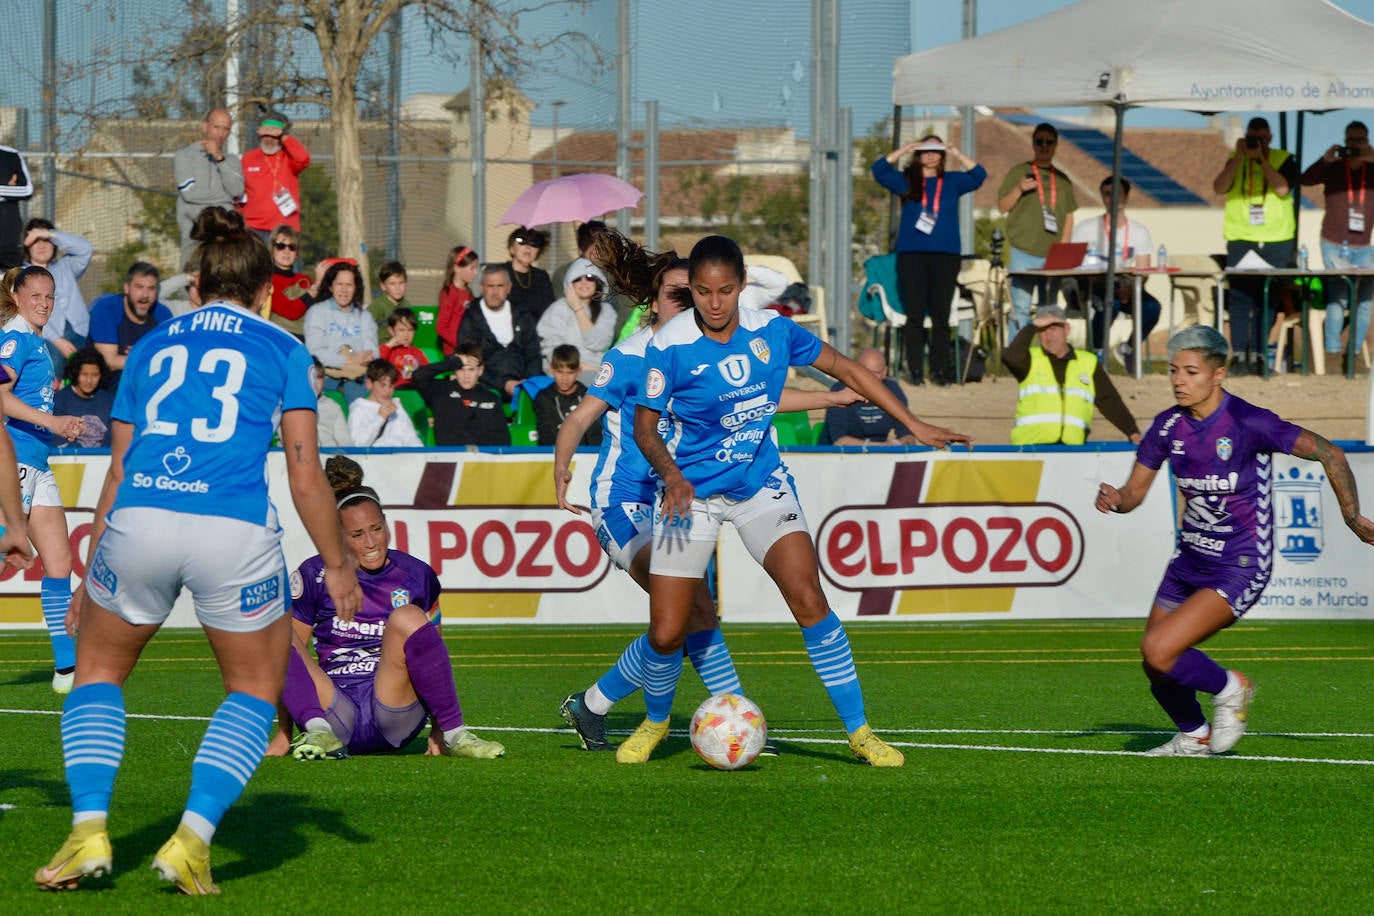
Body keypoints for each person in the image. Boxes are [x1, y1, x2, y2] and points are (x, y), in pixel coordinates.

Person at [33, 207, 361, 895]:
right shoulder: (284, 348)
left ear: (196, 281)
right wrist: (337, 565)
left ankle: (89, 830)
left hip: (141, 517)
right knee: (253, 689)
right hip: (231, 530)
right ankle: (191, 841)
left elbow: (118, 469)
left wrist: (93, 568)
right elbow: (305, 474)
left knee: (96, 673)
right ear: (267, 291)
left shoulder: (153, 345)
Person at [622, 234, 970, 766]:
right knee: (668, 631)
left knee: (808, 597)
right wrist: (671, 475)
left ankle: (860, 732)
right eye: (702, 291)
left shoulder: (774, 331)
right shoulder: (667, 344)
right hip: (689, 494)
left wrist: (913, 422)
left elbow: (849, 369)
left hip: (760, 485)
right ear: (690, 289)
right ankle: (655, 720)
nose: (714, 303)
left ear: (742, 286)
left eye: (726, 290)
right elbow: (646, 429)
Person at [554, 235, 859, 754]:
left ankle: (596, 704)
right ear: (656, 303)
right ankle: (728, 714)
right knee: (685, 614)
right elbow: (582, 415)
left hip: (675, 495)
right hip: (623, 500)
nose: (694, 303)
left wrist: (829, 396)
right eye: (680, 294)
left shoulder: (699, 345)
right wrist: (560, 468)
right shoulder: (632, 357)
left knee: (693, 614)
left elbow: (756, 396)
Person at [1096, 326, 1374, 756]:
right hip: (1188, 563)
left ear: (1218, 374)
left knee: (1160, 648)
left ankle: (1232, 687)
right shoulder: (1168, 426)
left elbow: (1329, 452)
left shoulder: (1248, 422)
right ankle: (1193, 734)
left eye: (1190, 371)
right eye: (1173, 371)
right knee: (1155, 663)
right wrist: (1117, 499)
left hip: (1240, 564)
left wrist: (1352, 516)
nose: (1178, 381)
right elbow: (1135, 493)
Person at [276, 456, 504, 761]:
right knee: (276, 632)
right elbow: (290, 659)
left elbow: (432, 659)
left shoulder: (418, 574)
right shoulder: (312, 574)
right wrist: (283, 735)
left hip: (394, 712)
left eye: (377, 528)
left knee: (408, 615)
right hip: (333, 711)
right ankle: (317, 732)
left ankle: (455, 735)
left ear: (386, 524)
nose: (372, 542)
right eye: (357, 535)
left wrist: (437, 729)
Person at [0, 266, 85, 693]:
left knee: (59, 562)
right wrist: (53, 421)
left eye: (49, 297)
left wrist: (55, 427)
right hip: (14, 459)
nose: (44, 303)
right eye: (35, 295)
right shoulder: (14, 338)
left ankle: (67, 668)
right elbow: (0, 395)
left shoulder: (35, 341)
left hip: (38, 462)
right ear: (16, 296)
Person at [872, 134, 986, 385]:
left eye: (936, 150)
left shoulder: (953, 182)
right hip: (912, 256)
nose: (931, 154)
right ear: (918, 153)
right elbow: (879, 170)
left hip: (945, 256)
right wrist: (905, 149)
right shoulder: (906, 182)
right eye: (926, 150)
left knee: (941, 317)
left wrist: (956, 152)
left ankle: (939, 371)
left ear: (942, 154)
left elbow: (979, 175)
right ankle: (915, 371)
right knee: (914, 315)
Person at [1212, 116, 1299, 376]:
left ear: (1270, 138)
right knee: (1240, 298)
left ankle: (1261, 354)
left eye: (1262, 138)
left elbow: (1283, 189)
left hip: (1276, 238)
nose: (1256, 142)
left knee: (1267, 298)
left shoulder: (1284, 158)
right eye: (1253, 137)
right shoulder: (1236, 158)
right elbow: (1219, 187)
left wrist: (1261, 158)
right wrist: (1239, 157)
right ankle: (1239, 355)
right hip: (1241, 237)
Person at [1003, 305, 1140, 445]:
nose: (1048, 336)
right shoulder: (1028, 360)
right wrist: (1031, 326)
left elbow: (1109, 400)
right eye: (1042, 330)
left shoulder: (1088, 362)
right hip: (1030, 450)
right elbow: (1010, 357)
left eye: (1053, 329)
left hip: (1071, 451)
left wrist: (1132, 431)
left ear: (1066, 329)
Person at [1300, 120, 1374, 371]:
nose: (1354, 146)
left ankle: (1352, 355)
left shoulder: (1371, 168)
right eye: (1351, 140)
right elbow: (1305, 180)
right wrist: (1325, 160)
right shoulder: (1334, 167)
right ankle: (1331, 354)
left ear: (1367, 141)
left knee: (1364, 301)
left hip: (1364, 247)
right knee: (1339, 297)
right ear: (1344, 141)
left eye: (1360, 140)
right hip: (1333, 243)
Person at [1068, 176, 1162, 371]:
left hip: (1125, 285)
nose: (1113, 198)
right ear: (1102, 197)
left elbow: (1144, 271)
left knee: (1152, 307)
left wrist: (1129, 287)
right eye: (1108, 194)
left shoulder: (1138, 231)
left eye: (1118, 193)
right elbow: (1074, 266)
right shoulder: (1086, 228)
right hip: (1093, 285)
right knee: (1111, 302)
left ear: (1126, 197)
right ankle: (1096, 353)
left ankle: (1128, 348)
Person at [998, 122, 1078, 334]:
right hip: (1023, 252)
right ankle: (1018, 361)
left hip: (1052, 256)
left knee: (1048, 311)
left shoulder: (1063, 179)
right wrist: (1019, 189)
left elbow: (1069, 216)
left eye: (1049, 142)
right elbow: (1002, 206)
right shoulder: (1020, 172)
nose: (1044, 146)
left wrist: (1063, 249)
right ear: (1033, 144)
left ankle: (1046, 359)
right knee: (1021, 309)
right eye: (1039, 142)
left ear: (1056, 145)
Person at [457, 264, 541, 400]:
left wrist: (526, 382)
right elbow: (469, 362)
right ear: (481, 287)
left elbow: (533, 355)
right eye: (490, 286)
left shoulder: (522, 314)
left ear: (509, 287)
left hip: (524, 385)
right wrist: (504, 384)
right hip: (487, 387)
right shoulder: (471, 318)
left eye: (500, 286)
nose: (495, 292)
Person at [22, 218, 94, 373]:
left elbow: (86, 249)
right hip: (47, 339)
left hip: (81, 331)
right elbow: (27, 315)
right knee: (51, 382)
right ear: (27, 245)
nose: (41, 245)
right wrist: (57, 340)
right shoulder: (21, 274)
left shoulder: (66, 265)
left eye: (46, 240)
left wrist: (50, 234)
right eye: (36, 241)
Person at [88, 262, 174, 391]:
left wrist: (138, 353)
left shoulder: (163, 314)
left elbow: (170, 357)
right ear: (127, 288)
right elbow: (109, 362)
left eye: (151, 288)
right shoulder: (106, 309)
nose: (145, 295)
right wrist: (148, 355)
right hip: (105, 383)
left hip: (150, 378)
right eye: (139, 287)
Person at [173, 109, 244, 264]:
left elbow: (237, 190)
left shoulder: (231, 161)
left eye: (225, 129)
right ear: (205, 126)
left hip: (224, 236)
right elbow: (190, 194)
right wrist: (225, 199)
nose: (220, 133)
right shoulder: (184, 155)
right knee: (190, 282)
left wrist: (220, 160)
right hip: (195, 233)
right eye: (216, 127)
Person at [409, 343, 509, 447]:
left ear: (480, 370)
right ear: (454, 369)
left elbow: (503, 439)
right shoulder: (440, 391)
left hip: (483, 459)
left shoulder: (491, 398)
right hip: (451, 458)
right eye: (461, 369)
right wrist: (454, 362)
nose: (466, 375)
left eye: (471, 369)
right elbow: (418, 376)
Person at [304, 261, 377, 403]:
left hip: (358, 376)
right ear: (331, 287)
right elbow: (315, 352)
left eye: (349, 285)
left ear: (355, 288)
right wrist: (349, 360)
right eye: (339, 284)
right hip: (328, 376)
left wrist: (366, 357)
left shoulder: (364, 316)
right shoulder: (318, 312)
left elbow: (373, 351)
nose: (344, 290)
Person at [536, 258, 617, 382]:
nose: (584, 282)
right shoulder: (558, 308)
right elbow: (551, 347)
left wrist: (578, 309)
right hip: (565, 372)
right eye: (577, 279)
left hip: (598, 370)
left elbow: (598, 343)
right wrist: (577, 367)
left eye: (589, 277)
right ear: (570, 284)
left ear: (597, 281)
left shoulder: (606, 311)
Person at [237, 108, 309, 238]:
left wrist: (284, 136)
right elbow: (238, 191)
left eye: (275, 136)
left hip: (285, 228)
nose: (270, 139)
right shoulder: (248, 159)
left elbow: (303, 159)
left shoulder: (289, 157)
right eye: (266, 135)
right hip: (253, 228)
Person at [823, 347, 915, 446]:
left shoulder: (893, 390)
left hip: (878, 452)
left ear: (884, 372)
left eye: (876, 373)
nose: (870, 378)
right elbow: (839, 441)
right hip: (837, 453)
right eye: (866, 372)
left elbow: (906, 431)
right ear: (856, 369)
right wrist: (880, 446)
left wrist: (905, 442)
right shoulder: (840, 390)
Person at [534, 344, 601, 447]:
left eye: (570, 373)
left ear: (578, 371)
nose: (564, 378)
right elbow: (546, 434)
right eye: (560, 372)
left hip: (586, 456)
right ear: (551, 369)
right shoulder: (543, 398)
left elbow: (594, 434)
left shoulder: (588, 397)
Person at [348, 359, 423, 448]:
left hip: (401, 457)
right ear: (369, 384)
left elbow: (411, 438)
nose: (387, 391)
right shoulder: (359, 409)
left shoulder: (397, 407)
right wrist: (380, 418)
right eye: (382, 385)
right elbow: (358, 445)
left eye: (391, 386)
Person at [53, 348, 114, 449]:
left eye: (95, 375)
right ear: (75, 374)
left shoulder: (109, 401)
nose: (89, 381)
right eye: (84, 374)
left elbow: (114, 437)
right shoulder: (60, 401)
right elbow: (58, 439)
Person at [265, 225, 312, 337]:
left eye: (292, 247)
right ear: (272, 249)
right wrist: (311, 294)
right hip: (278, 337)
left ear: (297, 253)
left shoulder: (304, 280)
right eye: (281, 246)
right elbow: (290, 312)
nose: (287, 251)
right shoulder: (267, 280)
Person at [501, 226, 556, 320]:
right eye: (521, 241)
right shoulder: (499, 273)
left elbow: (550, 311)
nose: (528, 247)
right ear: (511, 248)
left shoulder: (541, 277)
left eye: (534, 243)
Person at [436, 245, 479, 356]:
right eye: (472, 268)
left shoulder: (468, 292)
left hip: (469, 350)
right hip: (455, 352)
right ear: (457, 268)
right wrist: (461, 343)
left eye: (476, 268)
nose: (476, 272)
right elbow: (441, 326)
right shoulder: (449, 293)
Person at [379, 307, 427, 387]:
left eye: (410, 330)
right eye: (401, 330)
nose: (406, 334)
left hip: (415, 388)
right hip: (395, 389)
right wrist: (388, 345)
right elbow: (376, 364)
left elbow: (426, 371)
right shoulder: (388, 350)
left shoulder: (417, 352)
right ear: (391, 331)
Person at [311, 357, 350, 450]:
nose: (315, 383)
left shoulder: (333, 406)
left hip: (330, 457)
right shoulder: (288, 406)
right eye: (312, 378)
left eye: (319, 378)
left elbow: (346, 442)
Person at [370, 260, 411, 338]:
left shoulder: (406, 305)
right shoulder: (377, 305)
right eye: (392, 284)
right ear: (383, 286)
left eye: (401, 283)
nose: (397, 288)